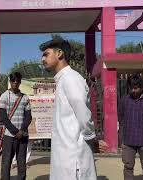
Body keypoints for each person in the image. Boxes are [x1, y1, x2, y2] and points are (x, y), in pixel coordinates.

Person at [40, 37, 97, 180]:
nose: (42, 59)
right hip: (64, 156)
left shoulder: (71, 78)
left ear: (59, 54)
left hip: (73, 158)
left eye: (46, 54)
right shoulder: (62, 80)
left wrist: (91, 138)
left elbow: (84, 115)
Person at [0, 72, 32, 180]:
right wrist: (15, 131)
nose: (15, 83)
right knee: (6, 161)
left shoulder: (25, 98)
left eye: (17, 81)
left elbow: (28, 117)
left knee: (22, 162)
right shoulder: (4, 96)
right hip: (9, 135)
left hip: (23, 135)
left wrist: (21, 130)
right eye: (13, 80)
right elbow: (3, 117)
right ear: (10, 81)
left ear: (20, 82)